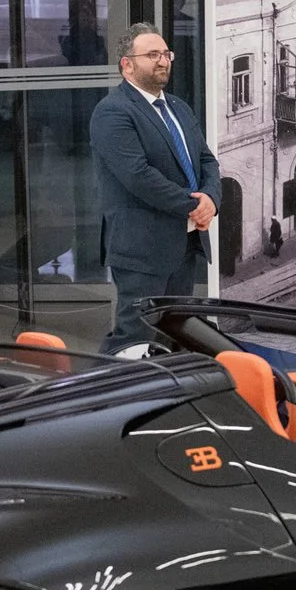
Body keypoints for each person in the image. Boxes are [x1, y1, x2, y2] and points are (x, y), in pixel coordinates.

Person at [92, 23, 220, 354]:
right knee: (134, 340)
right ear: (127, 64)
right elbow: (137, 175)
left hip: (184, 242)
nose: (163, 61)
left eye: (166, 53)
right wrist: (193, 205)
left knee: (172, 338)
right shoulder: (113, 111)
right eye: (152, 55)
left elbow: (206, 160)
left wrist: (211, 199)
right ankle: (101, 388)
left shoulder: (178, 107)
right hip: (142, 248)